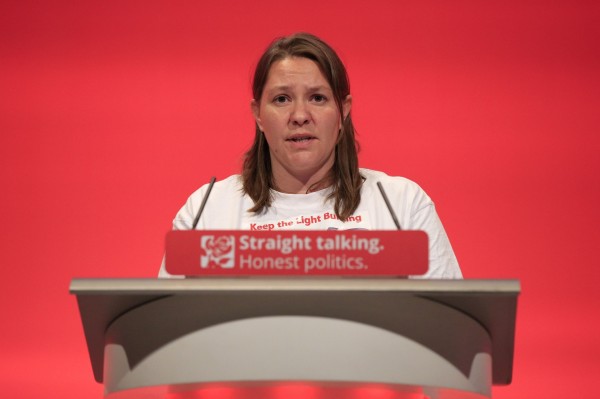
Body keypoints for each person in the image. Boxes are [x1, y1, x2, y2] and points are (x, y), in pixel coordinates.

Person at [159, 33, 462, 279]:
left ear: (343, 111)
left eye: (317, 98)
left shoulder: (401, 204)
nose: (300, 115)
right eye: (281, 99)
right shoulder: (208, 210)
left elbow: (451, 331)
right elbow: (165, 332)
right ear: (258, 115)